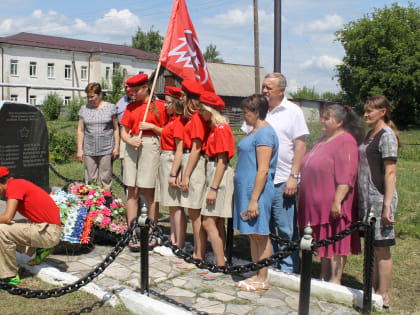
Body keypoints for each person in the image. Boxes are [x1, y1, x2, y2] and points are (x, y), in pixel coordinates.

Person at [298, 104, 364, 284]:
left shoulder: (346, 141)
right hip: (317, 204)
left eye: (327, 118)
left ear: (340, 122)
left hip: (333, 204)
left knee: (336, 241)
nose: (322, 121)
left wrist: (337, 201)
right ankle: (323, 276)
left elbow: (347, 175)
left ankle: (335, 279)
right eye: (323, 117)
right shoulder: (324, 138)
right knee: (323, 241)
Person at [262, 73, 309, 273]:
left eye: (269, 88)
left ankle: (289, 268)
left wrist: (294, 176)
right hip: (262, 178)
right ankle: (270, 264)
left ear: (281, 90)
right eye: (263, 86)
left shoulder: (293, 111)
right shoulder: (260, 110)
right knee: (266, 226)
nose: (264, 91)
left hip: (283, 178)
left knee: (286, 227)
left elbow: (300, 146)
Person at [233, 94, 279, 291]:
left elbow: (263, 169)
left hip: (256, 192)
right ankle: (256, 272)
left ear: (257, 112)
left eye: (246, 112)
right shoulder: (254, 132)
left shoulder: (265, 134)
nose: (244, 116)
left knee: (260, 233)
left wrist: (254, 200)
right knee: (253, 234)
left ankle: (262, 277)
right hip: (246, 190)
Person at [358, 95, 400, 309]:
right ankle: (372, 288)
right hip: (367, 200)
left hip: (381, 198)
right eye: (365, 110)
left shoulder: (387, 135)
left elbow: (391, 171)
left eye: (370, 111)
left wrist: (387, 205)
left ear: (382, 112)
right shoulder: (370, 134)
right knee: (372, 246)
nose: (365, 114)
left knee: (382, 248)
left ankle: (384, 294)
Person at [120, 74, 168, 251]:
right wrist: (129, 140)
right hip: (134, 145)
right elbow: (123, 131)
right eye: (131, 90)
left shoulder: (160, 107)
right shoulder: (130, 107)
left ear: (147, 87)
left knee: (150, 191)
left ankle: (152, 230)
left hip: (151, 146)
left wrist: (153, 127)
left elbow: (168, 132)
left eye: (136, 90)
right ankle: (132, 232)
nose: (133, 93)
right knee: (132, 190)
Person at [0, 167, 62, 284]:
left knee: (1, 229)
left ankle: (9, 275)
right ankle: (41, 248)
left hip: (49, 232)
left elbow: (8, 217)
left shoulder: (14, 186)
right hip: (46, 229)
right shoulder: (16, 184)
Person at [199, 91, 235, 279]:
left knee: (208, 221)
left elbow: (222, 160)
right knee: (217, 221)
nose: (200, 114)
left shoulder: (221, 129)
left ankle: (220, 265)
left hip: (218, 173)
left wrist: (213, 188)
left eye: (202, 110)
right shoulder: (215, 128)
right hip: (214, 170)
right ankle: (221, 260)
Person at [177, 80, 208, 267]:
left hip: (194, 164)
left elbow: (196, 149)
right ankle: (197, 251)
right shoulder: (191, 118)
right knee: (192, 211)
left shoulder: (196, 118)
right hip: (189, 162)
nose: (180, 98)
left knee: (196, 213)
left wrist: (186, 174)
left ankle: (199, 253)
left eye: (183, 95)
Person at [156, 86, 187, 248]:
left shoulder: (179, 122)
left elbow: (179, 149)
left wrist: (174, 173)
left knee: (176, 205)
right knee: (171, 205)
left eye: (168, 102)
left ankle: (179, 242)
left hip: (171, 160)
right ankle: (174, 238)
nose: (165, 105)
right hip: (166, 159)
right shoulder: (172, 120)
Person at [77, 82, 120, 189]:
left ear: (100, 94)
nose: (90, 99)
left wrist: (116, 147)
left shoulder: (111, 107)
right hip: (89, 149)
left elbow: (116, 129)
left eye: (92, 96)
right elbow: (81, 130)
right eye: (88, 97)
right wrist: (79, 149)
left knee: (105, 177)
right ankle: (92, 202)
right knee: (91, 178)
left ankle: (106, 201)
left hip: (106, 149)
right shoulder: (84, 109)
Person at [115, 80, 133, 178]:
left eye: (129, 86)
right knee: (126, 173)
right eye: (125, 87)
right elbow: (116, 126)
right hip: (124, 138)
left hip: (140, 138)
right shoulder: (120, 103)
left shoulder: (150, 100)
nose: (127, 89)